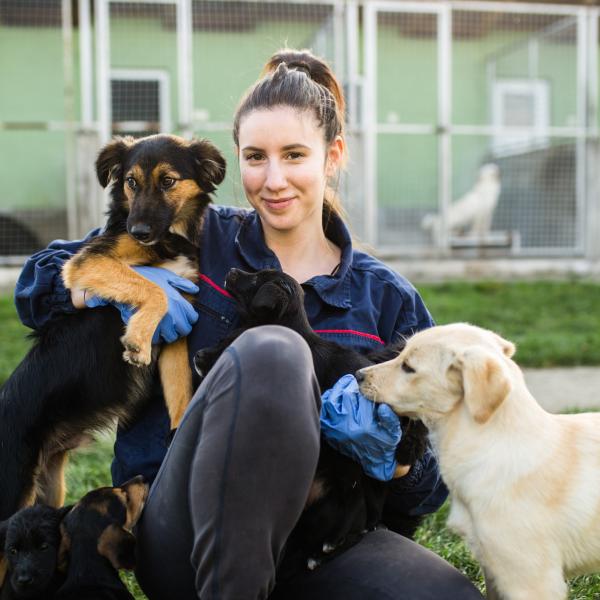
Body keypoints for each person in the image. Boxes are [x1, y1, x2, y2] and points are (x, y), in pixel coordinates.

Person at [14, 50, 482, 599]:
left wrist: (393, 459)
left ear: (333, 156)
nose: (274, 178)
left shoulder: (386, 300)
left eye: (294, 155)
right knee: (276, 353)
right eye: (256, 157)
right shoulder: (191, 238)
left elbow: (429, 485)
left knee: (445, 596)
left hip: (319, 541)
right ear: (236, 160)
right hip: (184, 530)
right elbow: (39, 284)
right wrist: (115, 290)